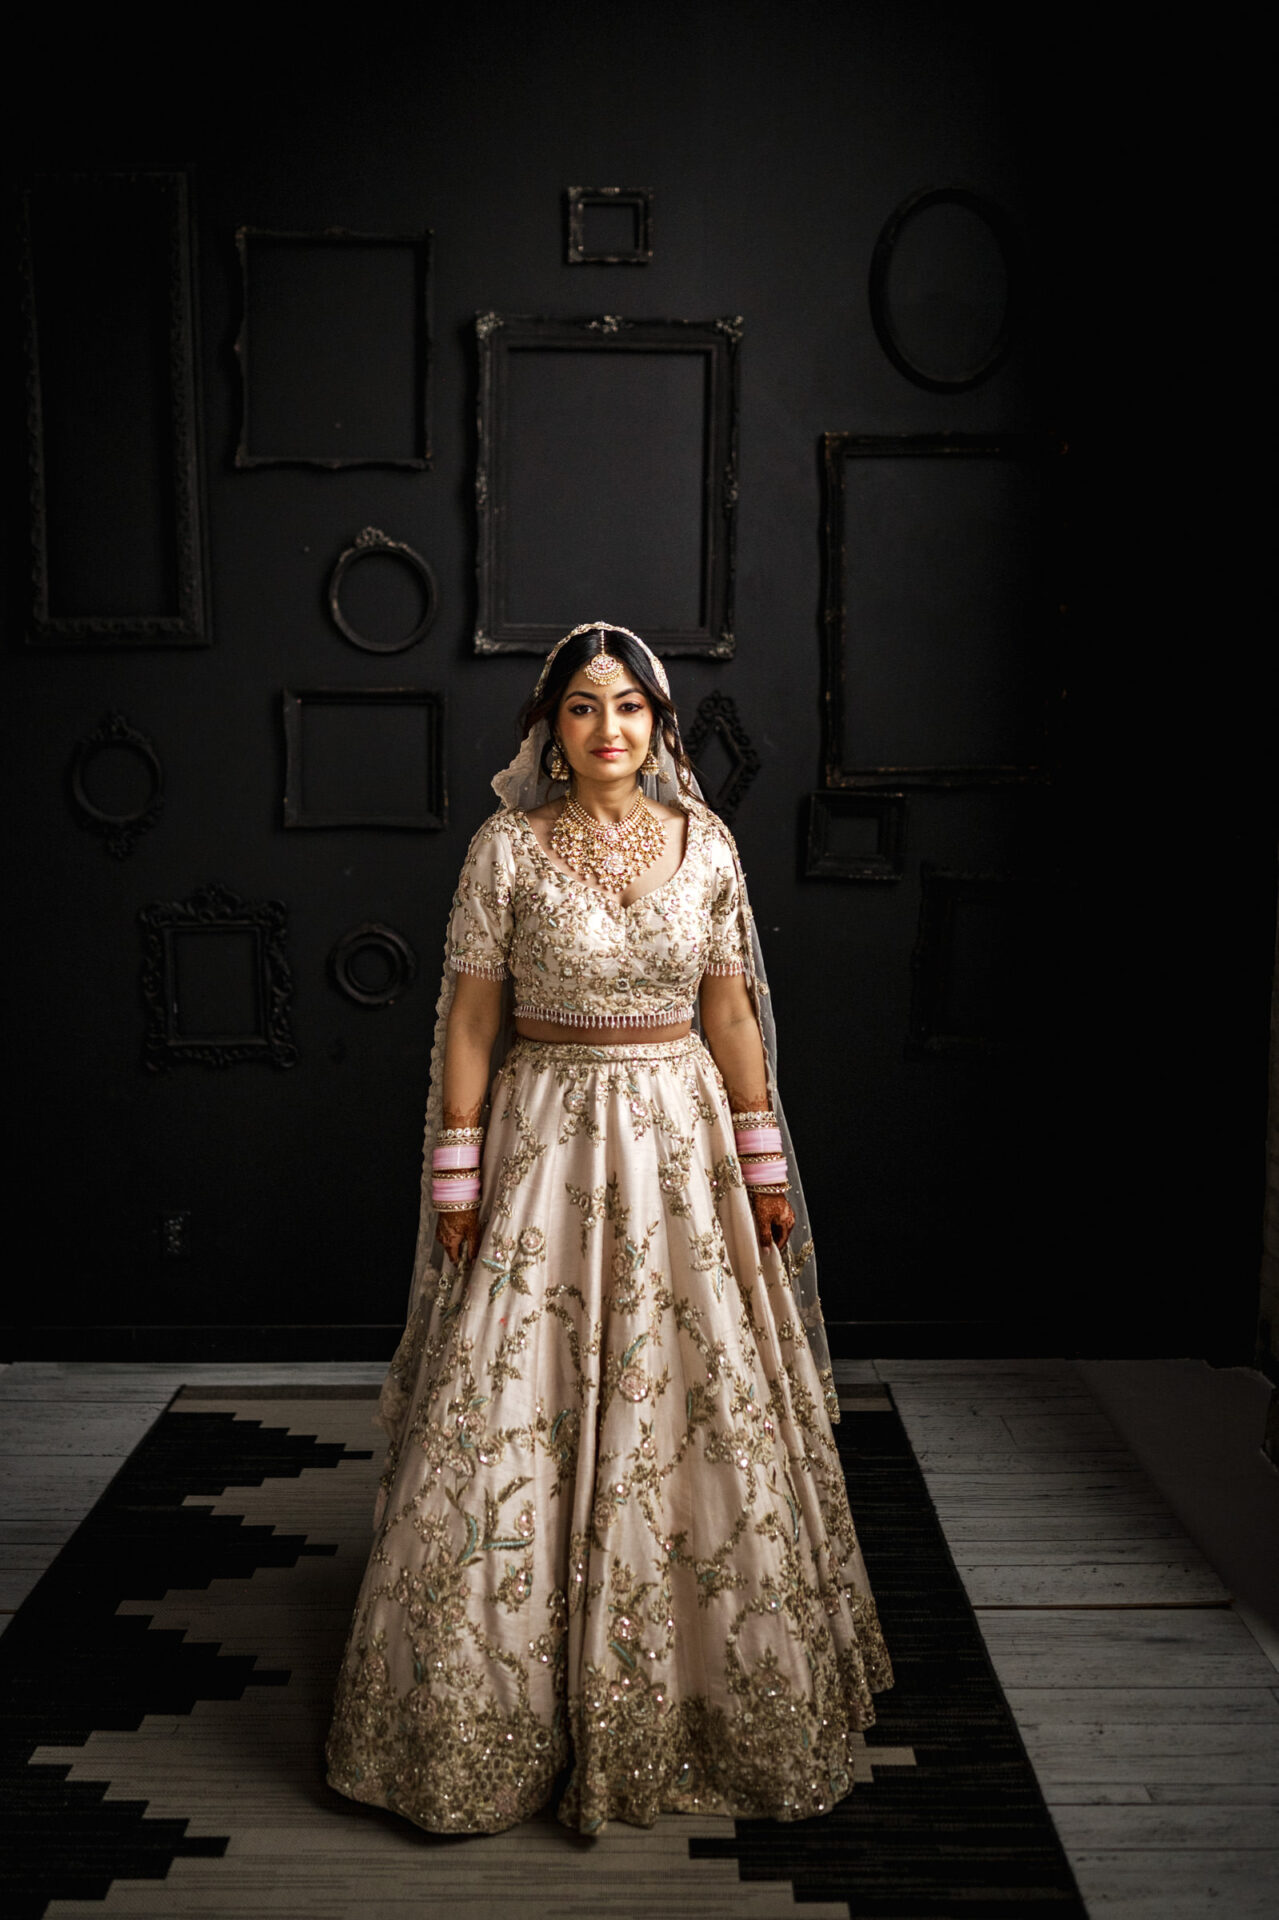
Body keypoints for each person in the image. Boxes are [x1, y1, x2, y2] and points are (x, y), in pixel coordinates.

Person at [325, 621, 893, 1837]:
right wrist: (459, 1173)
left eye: (629, 707)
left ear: (660, 723)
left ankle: (699, 1694)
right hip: (546, 1142)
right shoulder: (507, 852)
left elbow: (732, 1015)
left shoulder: (708, 849)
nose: (608, 730)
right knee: (510, 1404)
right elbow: (472, 1025)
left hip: (682, 1145)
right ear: (550, 728)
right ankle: (487, 1709)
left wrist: (764, 1161)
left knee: (693, 1401)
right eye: (582, 709)